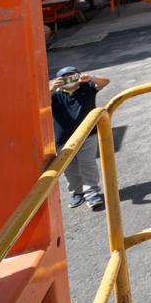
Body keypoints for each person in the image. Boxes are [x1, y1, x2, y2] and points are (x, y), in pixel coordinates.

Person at [50, 65, 110, 209]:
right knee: (69, 168)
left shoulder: (87, 87)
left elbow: (105, 82)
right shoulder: (55, 95)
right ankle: (77, 192)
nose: (69, 80)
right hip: (63, 139)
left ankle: (92, 192)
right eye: (64, 78)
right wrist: (51, 88)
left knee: (87, 163)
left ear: (79, 76)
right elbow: (37, 102)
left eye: (72, 76)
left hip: (88, 135)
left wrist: (91, 77)